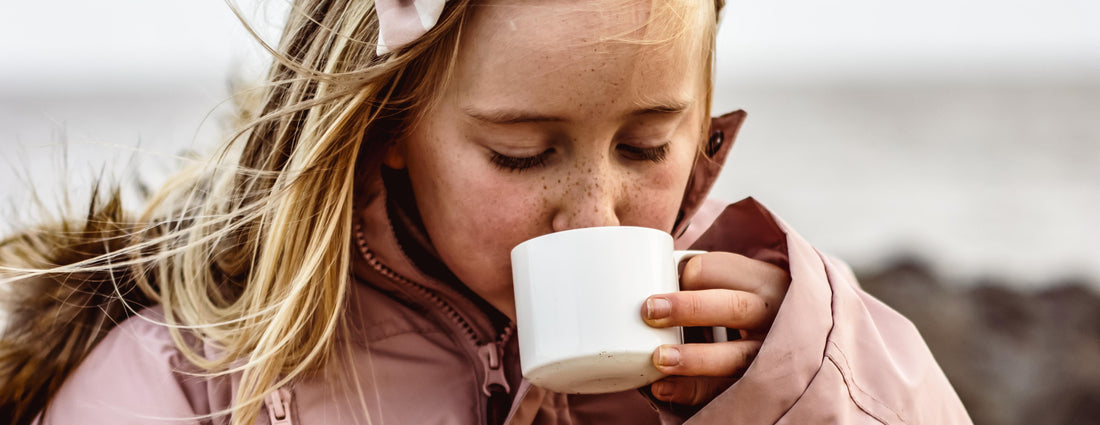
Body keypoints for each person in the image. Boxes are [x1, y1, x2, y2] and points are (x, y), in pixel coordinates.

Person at [0, 0, 972, 424]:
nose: (592, 215)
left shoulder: (748, 359)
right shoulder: (186, 382)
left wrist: (807, 377)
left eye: (645, 145)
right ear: (387, 123)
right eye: (520, 151)